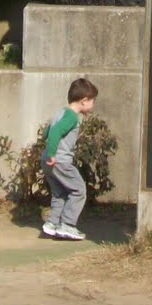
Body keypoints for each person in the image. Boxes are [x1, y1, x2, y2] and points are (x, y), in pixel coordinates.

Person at [41, 77, 98, 242]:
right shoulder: (72, 116)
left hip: (47, 159)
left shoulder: (60, 111)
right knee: (78, 190)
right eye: (93, 101)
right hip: (59, 160)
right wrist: (53, 154)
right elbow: (55, 132)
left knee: (60, 192)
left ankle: (52, 224)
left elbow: (47, 132)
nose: (93, 105)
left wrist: (48, 153)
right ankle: (67, 224)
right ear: (84, 100)